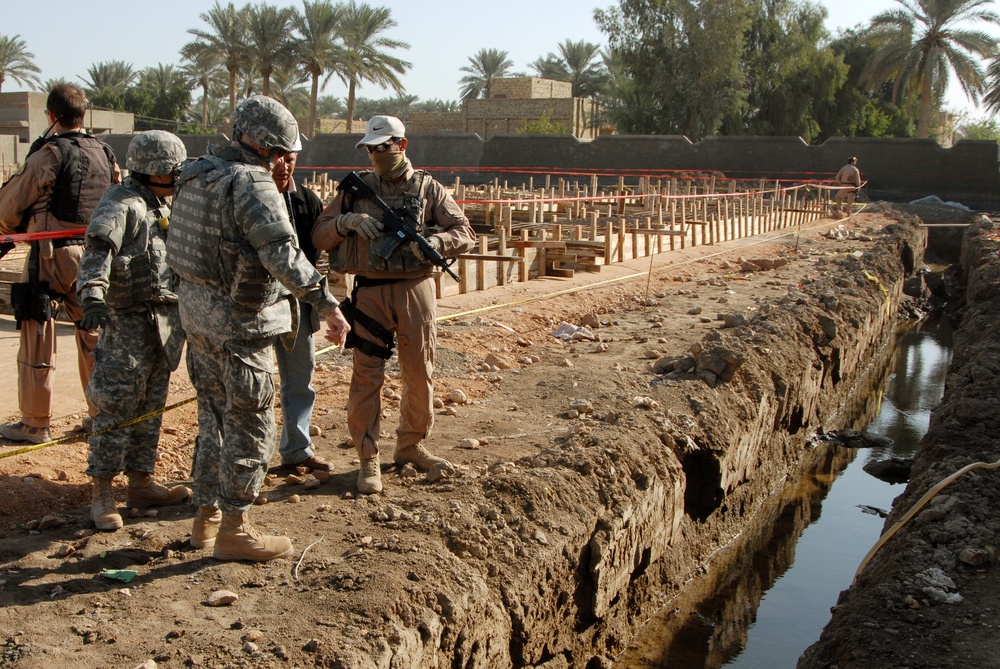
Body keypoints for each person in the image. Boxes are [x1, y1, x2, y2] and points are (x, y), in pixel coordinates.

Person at [166, 95, 349, 562]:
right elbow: (282, 255)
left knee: (213, 419)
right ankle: (236, 528)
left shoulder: (195, 172)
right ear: (267, 145)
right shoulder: (252, 181)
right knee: (252, 424)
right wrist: (327, 303)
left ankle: (205, 517)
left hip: (197, 319)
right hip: (241, 325)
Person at [312, 115, 476, 495]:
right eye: (371, 148)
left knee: (419, 371)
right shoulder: (355, 189)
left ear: (402, 146)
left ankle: (410, 445)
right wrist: (346, 222)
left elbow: (465, 232)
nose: (376, 154)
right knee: (367, 375)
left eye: (383, 147)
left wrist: (434, 243)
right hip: (369, 291)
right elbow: (320, 233)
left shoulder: (429, 189)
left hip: (416, 288)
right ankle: (368, 459)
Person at [77, 130, 192, 531]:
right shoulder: (120, 203)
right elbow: (98, 250)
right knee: (116, 408)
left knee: (151, 405)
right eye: (171, 170)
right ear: (152, 169)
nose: (178, 176)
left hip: (164, 323)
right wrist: (92, 295)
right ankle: (102, 492)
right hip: (127, 320)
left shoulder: (161, 204)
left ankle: (141, 482)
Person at [0, 83, 117, 445]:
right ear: (85, 115)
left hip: (50, 257)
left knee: (38, 332)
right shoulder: (107, 154)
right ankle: (100, 416)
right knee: (93, 334)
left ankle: (35, 424)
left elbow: (9, 208)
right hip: (97, 258)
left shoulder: (48, 154)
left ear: (51, 116)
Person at [270, 146, 331, 472]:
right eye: (277, 159)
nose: (284, 166)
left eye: (290, 160)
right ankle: (253, 459)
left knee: (299, 380)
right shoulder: (250, 197)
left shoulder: (307, 200)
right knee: (256, 384)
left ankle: (297, 449)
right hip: (259, 305)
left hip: (298, 304)